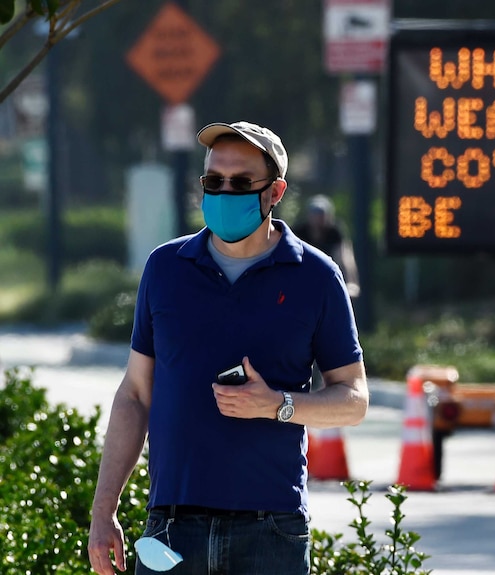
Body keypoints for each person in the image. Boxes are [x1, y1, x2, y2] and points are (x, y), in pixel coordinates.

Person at [87, 121, 369, 575]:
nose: (223, 193)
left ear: (275, 192)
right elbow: (135, 395)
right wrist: (103, 514)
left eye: (240, 183)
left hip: (271, 530)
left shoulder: (316, 276)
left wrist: (276, 404)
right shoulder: (165, 269)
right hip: (171, 530)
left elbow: (353, 400)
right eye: (213, 182)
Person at [293, 194, 360, 298]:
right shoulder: (299, 232)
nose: (318, 219)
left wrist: (351, 282)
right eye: (315, 214)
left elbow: (346, 258)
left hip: (328, 278)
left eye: (322, 214)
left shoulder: (335, 233)